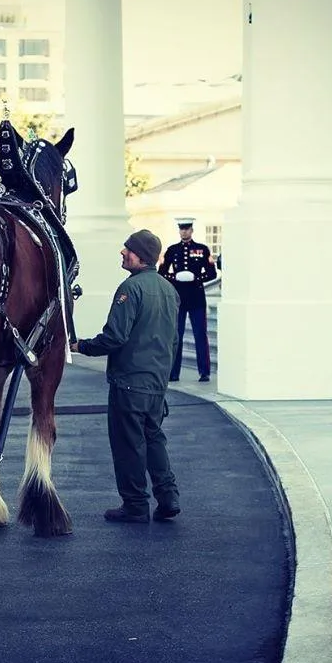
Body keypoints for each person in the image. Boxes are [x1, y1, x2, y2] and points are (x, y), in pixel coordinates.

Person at [71, 229, 181, 523]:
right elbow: (173, 340)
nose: (122, 252)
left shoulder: (129, 289)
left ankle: (135, 504)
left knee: (128, 443)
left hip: (129, 382)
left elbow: (115, 337)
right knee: (154, 438)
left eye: (128, 250)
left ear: (141, 256)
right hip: (156, 383)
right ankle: (168, 497)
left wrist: (82, 346)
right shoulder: (169, 290)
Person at [158, 217, 217, 382]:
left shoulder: (202, 249)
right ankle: (173, 372)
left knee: (200, 334)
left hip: (197, 297)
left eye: (187, 228)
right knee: (176, 335)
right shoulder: (172, 250)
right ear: (179, 230)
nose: (184, 231)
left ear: (192, 230)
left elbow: (212, 273)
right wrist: (175, 277)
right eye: (182, 229)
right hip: (179, 298)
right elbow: (161, 272)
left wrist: (196, 277)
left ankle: (204, 372)